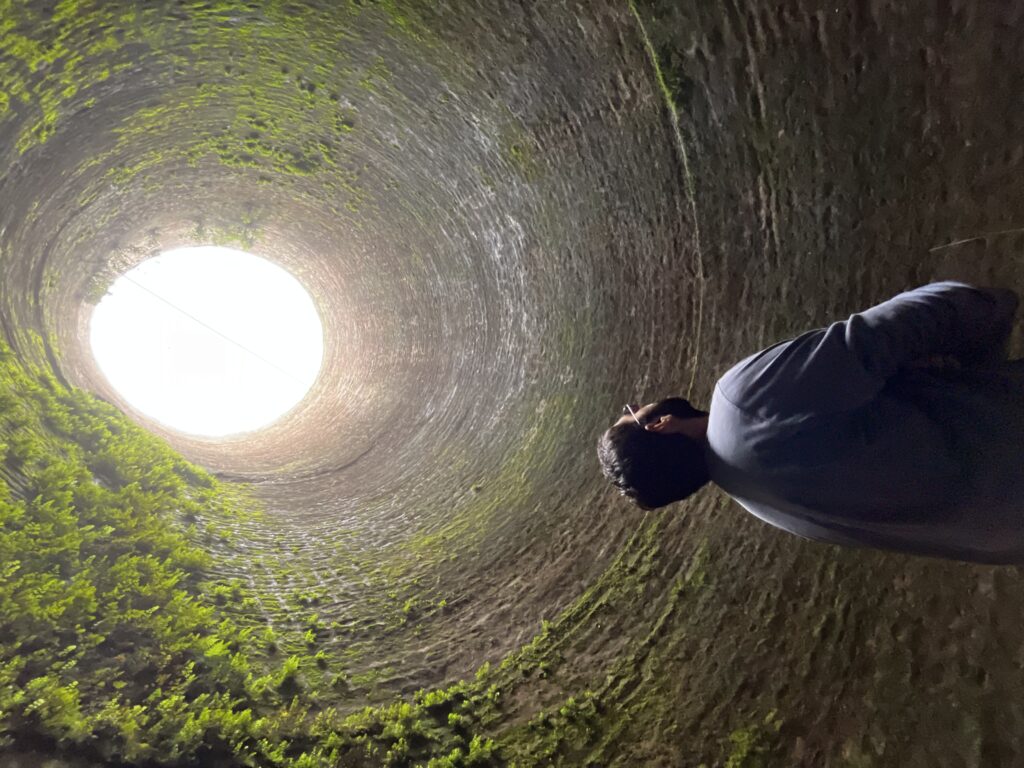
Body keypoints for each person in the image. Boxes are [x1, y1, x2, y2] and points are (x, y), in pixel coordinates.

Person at [597, 281, 1024, 564]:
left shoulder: (759, 501)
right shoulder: (740, 399)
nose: (643, 402)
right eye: (634, 410)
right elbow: (913, 320)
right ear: (659, 425)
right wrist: (988, 326)